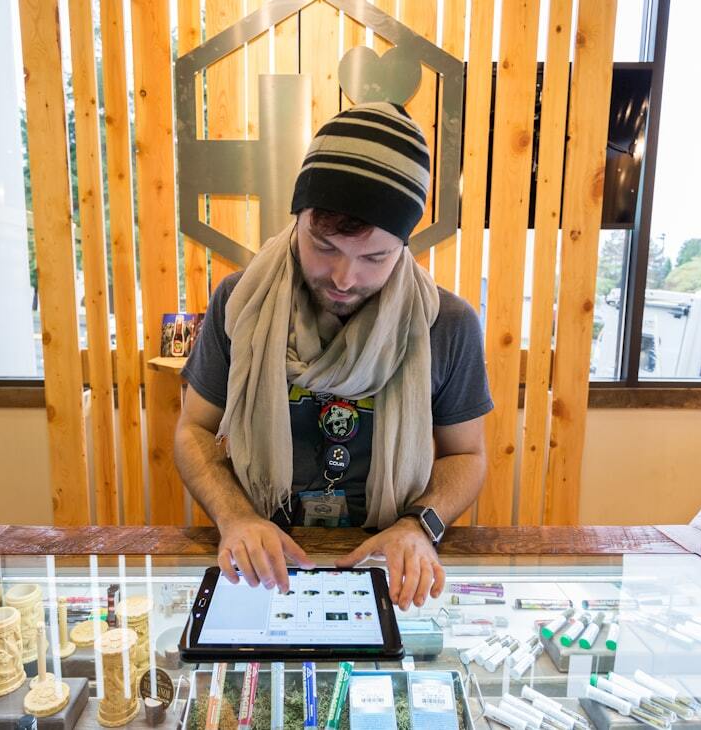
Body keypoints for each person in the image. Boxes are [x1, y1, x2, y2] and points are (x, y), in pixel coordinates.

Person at [175, 102, 492, 610]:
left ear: (405, 246)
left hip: (385, 568)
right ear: (298, 218)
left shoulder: (447, 324)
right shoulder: (240, 302)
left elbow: (466, 455)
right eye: (324, 246)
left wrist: (419, 525)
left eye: (374, 257)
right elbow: (194, 430)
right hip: (263, 565)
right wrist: (236, 517)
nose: (345, 279)